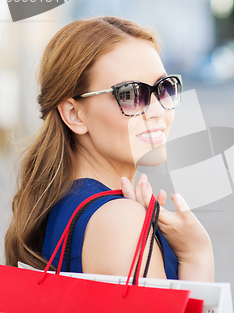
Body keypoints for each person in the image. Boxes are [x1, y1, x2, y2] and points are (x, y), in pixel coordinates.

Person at [4, 16, 214, 282]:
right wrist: (197, 254)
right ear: (74, 114)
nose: (158, 111)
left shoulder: (58, 204)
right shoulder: (121, 221)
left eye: (164, 88)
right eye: (130, 94)